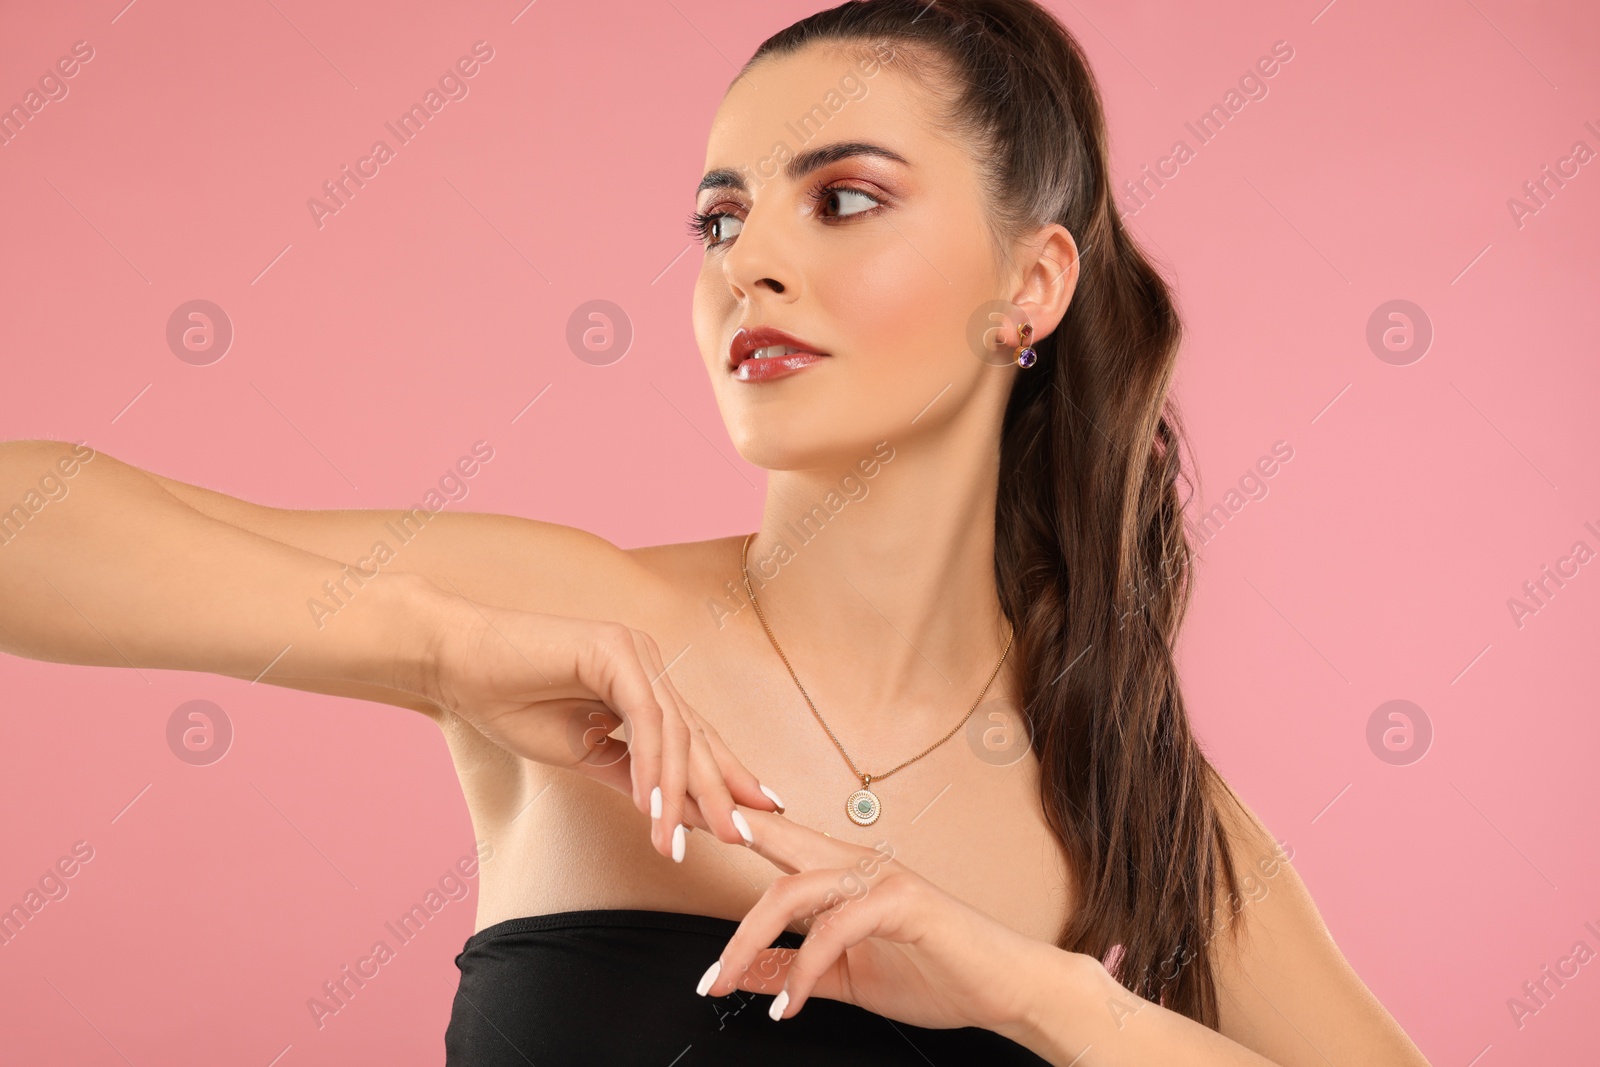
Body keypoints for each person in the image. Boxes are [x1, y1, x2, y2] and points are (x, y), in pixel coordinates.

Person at [0, 0, 1434, 1063]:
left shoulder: (1119, 776)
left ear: (1032, 283)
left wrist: (1038, 995)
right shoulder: (567, 619)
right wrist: (442, 648)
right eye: (720, 218)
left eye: (845, 199)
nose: (747, 259)